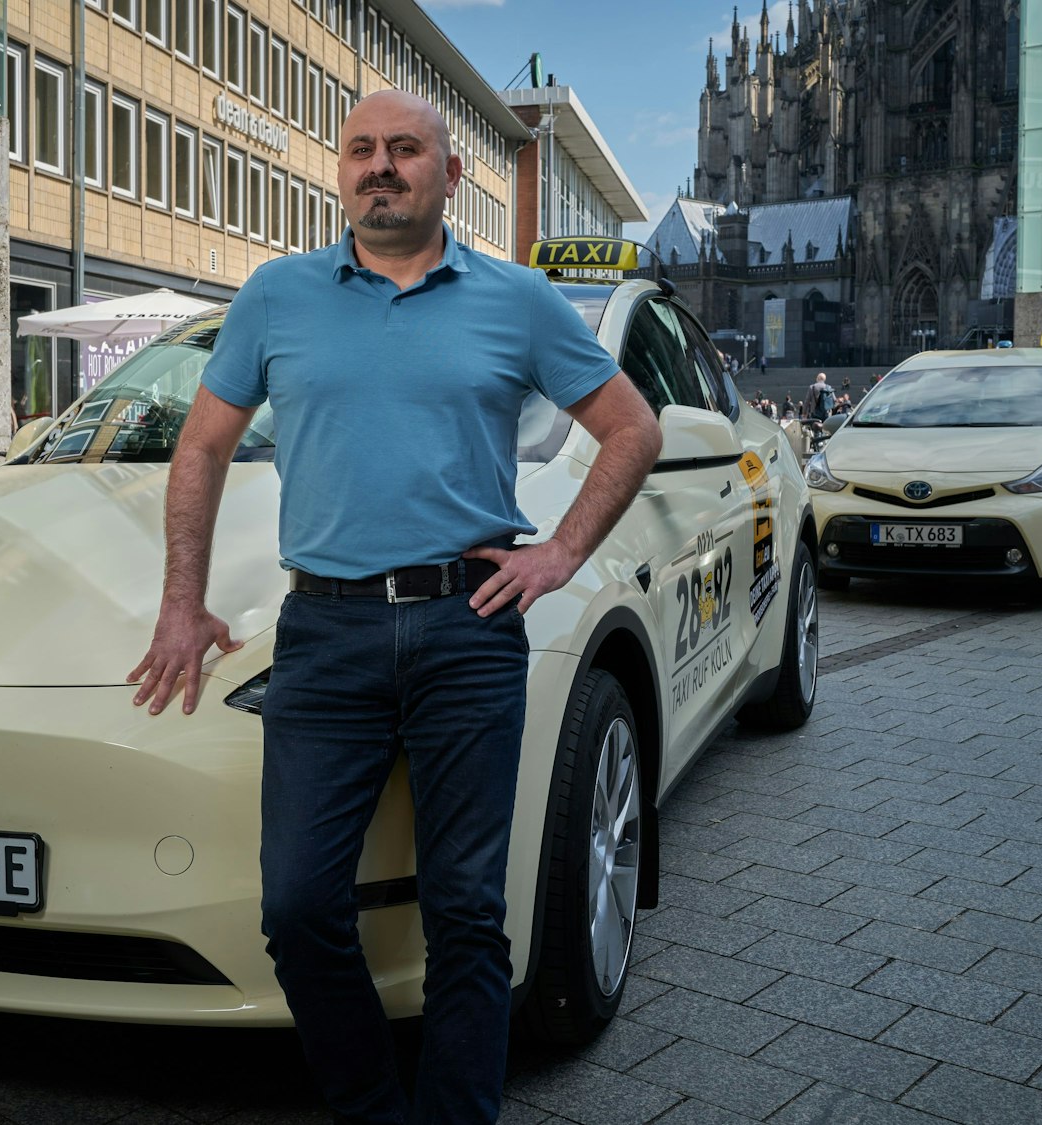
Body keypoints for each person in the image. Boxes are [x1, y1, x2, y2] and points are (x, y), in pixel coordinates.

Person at [127, 90, 662, 1123]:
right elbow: (198, 448)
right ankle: (371, 1103)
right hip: (324, 632)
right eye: (361, 150)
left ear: (448, 175)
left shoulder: (514, 299)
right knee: (296, 906)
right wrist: (180, 604)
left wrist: (557, 552)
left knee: (465, 911)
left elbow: (629, 427)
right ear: (339, 171)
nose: (381, 166)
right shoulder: (278, 296)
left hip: (468, 627)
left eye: (405, 150)